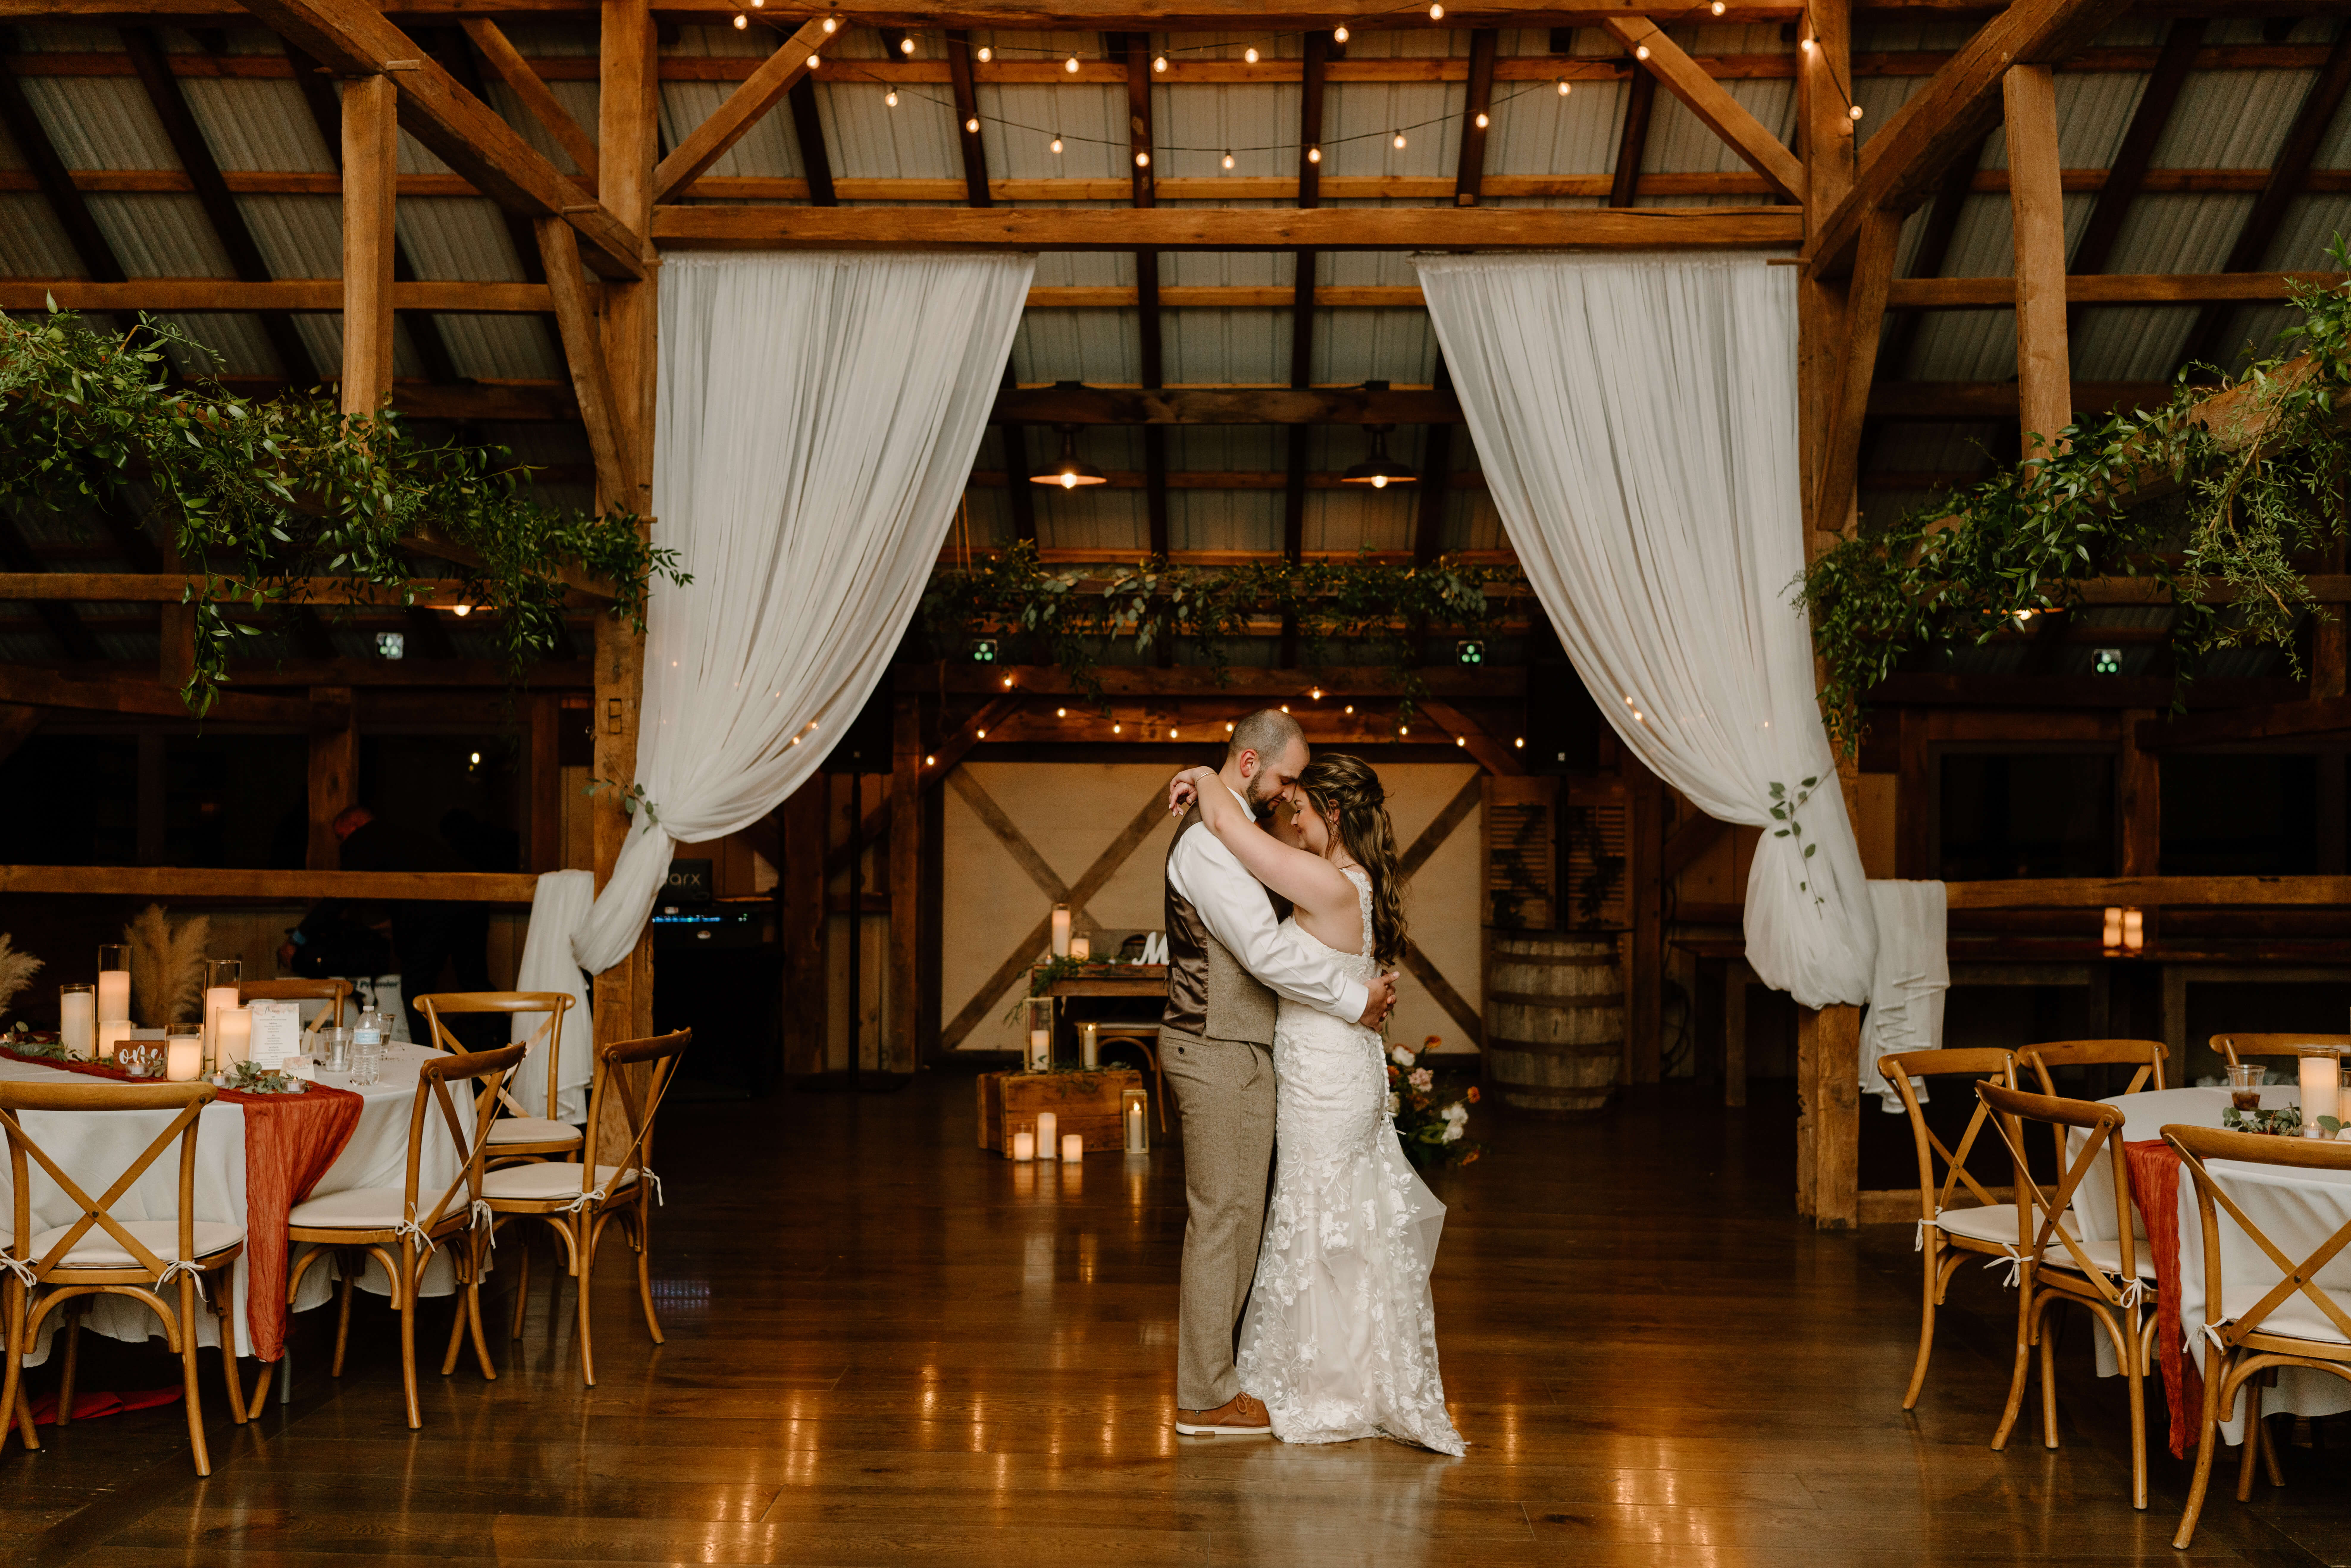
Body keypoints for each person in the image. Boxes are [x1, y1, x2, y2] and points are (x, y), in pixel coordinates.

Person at [1168, 749, 1465, 1455]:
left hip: (1327, 1078)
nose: (1291, 819)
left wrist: (1206, 777)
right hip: (1333, 1070)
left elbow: (1231, 832)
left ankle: (1331, 1383)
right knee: (1336, 1220)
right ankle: (1347, 1371)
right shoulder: (1353, 882)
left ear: (1333, 813)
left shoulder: (1327, 881)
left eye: (1300, 808)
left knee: (1320, 1219)